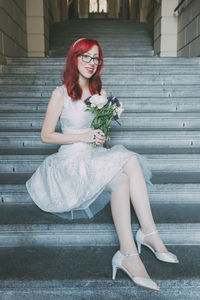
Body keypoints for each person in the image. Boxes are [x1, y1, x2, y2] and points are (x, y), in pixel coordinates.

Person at [25, 37, 179, 291]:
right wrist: (82, 136)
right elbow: (46, 135)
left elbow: (97, 136)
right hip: (69, 161)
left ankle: (138, 244)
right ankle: (138, 245)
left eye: (95, 58)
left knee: (127, 165)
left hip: (91, 155)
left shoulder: (100, 94)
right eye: (85, 56)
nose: (91, 62)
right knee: (123, 172)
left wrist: (99, 136)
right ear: (74, 59)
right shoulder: (60, 93)